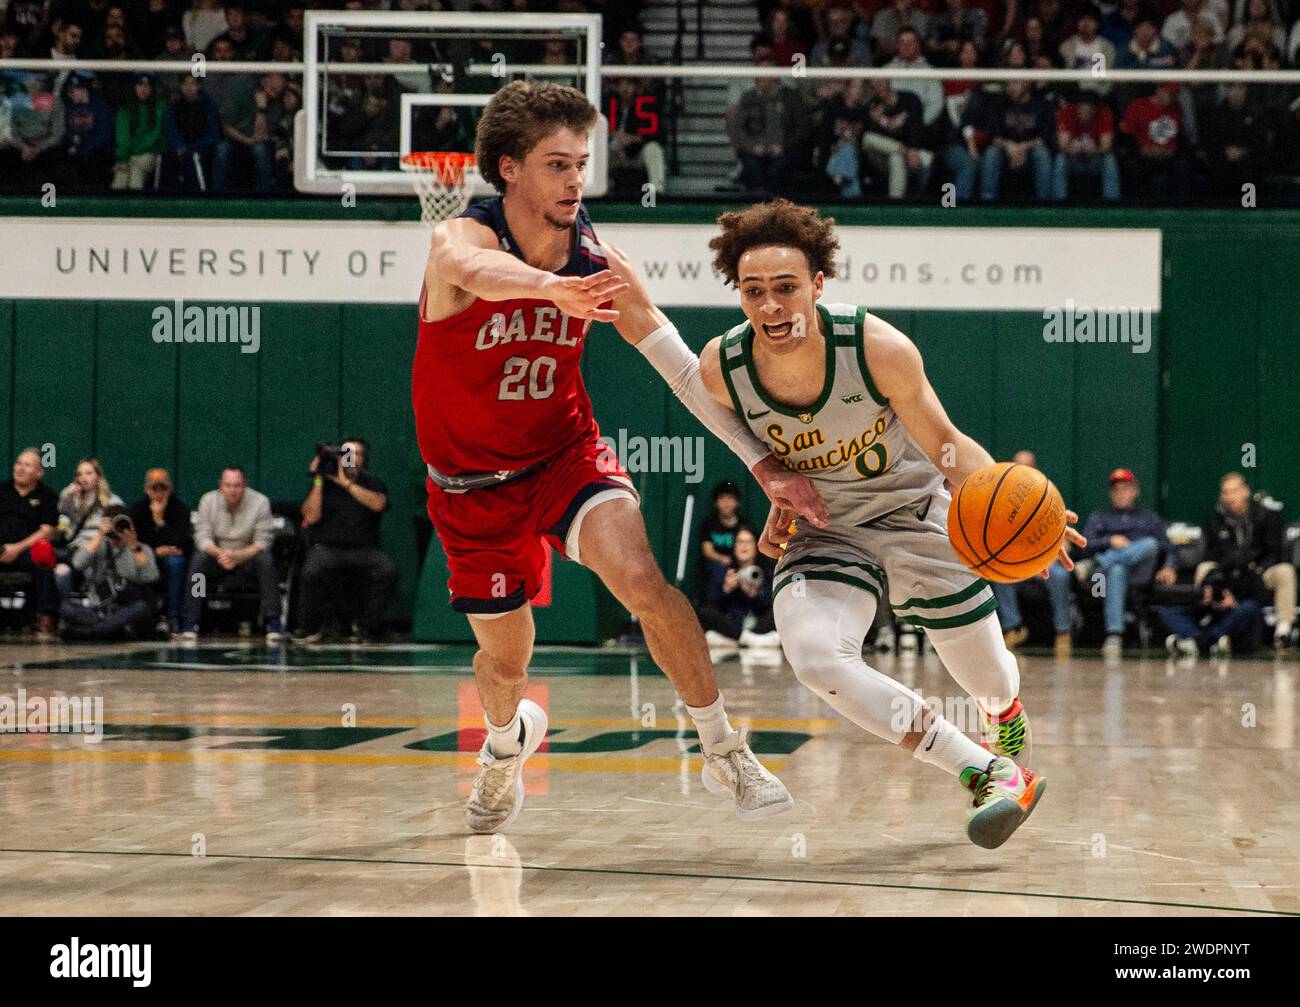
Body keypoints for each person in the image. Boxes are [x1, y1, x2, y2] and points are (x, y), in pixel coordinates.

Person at [416, 80, 830, 833]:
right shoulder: (461, 243)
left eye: (581, 163)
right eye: (555, 164)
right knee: (506, 665)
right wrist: (550, 289)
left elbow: (674, 363)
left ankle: (722, 747)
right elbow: (474, 273)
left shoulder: (600, 258)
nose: (576, 179)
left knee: (645, 581)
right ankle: (505, 746)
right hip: (471, 486)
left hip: (563, 455)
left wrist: (762, 463)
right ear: (508, 169)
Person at [696, 199, 1086, 849]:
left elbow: (950, 447)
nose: (770, 307)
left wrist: (1031, 516)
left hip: (912, 511)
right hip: (826, 529)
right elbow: (728, 421)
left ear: (818, 284)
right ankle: (988, 770)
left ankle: (1004, 714)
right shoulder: (722, 367)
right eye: (753, 291)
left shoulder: (878, 349)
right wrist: (772, 480)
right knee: (816, 656)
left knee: (989, 677)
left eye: (786, 288)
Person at [295, 439, 399, 643]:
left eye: (356, 454)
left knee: (387, 570)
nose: (351, 458)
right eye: (346, 453)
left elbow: (378, 504)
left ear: (364, 459)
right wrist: (318, 479)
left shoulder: (373, 484)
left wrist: (347, 484)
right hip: (327, 548)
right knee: (311, 571)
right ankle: (309, 627)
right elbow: (311, 516)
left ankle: (367, 626)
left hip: (365, 549)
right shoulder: (322, 485)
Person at [1076, 468, 1178, 657]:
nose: (1121, 493)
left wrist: (1169, 566)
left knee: (1150, 544)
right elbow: (1084, 546)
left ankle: (1098, 563)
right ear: (1111, 493)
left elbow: (1168, 548)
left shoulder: (1149, 518)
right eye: (1116, 490)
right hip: (1105, 578)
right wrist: (1109, 541)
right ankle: (1114, 634)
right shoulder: (1099, 517)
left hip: (1141, 573)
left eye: (1125, 489)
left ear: (1135, 491)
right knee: (1116, 570)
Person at [178, 465, 284, 643]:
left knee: (266, 560)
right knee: (198, 561)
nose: (232, 490)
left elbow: (262, 542)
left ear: (244, 485)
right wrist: (221, 554)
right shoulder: (208, 500)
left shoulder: (260, 502)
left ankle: (272, 622)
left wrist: (238, 556)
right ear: (221, 485)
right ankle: (191, 621)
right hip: (217, 557)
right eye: (228, 485)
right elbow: (202, 538)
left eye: (237, 486)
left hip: (247, 558)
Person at [988, 451, 1077, 656]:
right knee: (1000, 575)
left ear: (1035, 470)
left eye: (1028, 466)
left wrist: (1041, 562)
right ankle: (1013, 628)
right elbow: (997, 543)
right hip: (1017, 565)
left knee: (1061, 575)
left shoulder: (1049, 497)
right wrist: (1022, 564)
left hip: (1045, 565)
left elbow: (1066, 543)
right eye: (1018, 466)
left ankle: (1063, 631)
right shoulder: (1000, 501)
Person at [1197, 472, 1295, 649]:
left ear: (1245, 491)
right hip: (1227, 574)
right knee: (1204, 568)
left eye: (1234, 491)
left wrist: (1258, 568)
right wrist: (1224, 575)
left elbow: (1274, 552)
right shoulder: (1215, 519)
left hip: (1257, 573)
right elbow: (1212, 554)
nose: (1230, 497)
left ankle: (1283, 629)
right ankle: (1207, 613)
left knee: (1285, 571)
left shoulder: (1265, 516)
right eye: (1225, 492)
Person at [59, 505, 161, 640]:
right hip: (99, 606)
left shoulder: (141, 548)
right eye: (111, 523)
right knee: (67, 607)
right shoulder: (98, 545)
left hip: (127, 604)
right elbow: (78, 563)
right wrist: (101, 534)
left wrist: (133, 545)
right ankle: (112, 631)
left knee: (141, 608)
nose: (115, 527)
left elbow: (151, 577)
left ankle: (88, 633)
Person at [0, 448, 59, 637]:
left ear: (39, 472)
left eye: (27, 465)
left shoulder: (47, 496)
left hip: (26, 550)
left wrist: (16, 548)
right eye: (18, 463)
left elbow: (47, 530)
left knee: (43, 557)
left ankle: (44, 615)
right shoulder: (2, 490)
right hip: (1, 548)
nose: (20, 468)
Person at [129, 468, 192, 634]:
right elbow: (135, 541)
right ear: (146, 489)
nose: (158, 493)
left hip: (172, 557)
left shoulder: (181, 509)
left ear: (170, 489)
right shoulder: (137, 510)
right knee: (137, 559)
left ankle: (173, 616)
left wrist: (160, 521)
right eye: (153, 488)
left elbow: (180, 542)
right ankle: (140, 615)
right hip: (146, 554)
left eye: (162, 488)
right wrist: (155, 551)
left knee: (175, 562)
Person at [697, 527, 780, 650]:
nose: (743, 546)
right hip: (733, 623)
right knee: (705, 612)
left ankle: (736, 641)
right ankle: (749, 640)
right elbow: (711, 603)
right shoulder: (725, 570)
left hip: (758, 624)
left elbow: (770, 605)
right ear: (734, 546)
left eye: (748, 542)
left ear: (756, 545)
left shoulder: (766, 570)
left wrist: (755, 595)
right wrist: (726, 590)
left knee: (778, 612)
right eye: (740, 542)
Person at [1159, 569, 1262, 658]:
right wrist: (1202, 603)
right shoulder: (1208, 581)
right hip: (1206, 629)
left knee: (1249, 607)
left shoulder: (1245, 576)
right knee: (1168, 611)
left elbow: (1257, 602)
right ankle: (1199, 641)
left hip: (1228, 628)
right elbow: (1189, 609)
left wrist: (1233, 604)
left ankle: (1196, 643)